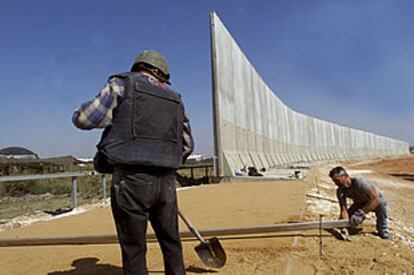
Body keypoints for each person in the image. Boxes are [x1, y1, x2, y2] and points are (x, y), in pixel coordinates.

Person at [72, 49, 194, 274]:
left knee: (134, 250)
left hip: (131, 182)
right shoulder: (176, 99)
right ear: (162, 75)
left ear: (139, 67)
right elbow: (187, 146)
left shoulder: (122, 85)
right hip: (167, 183)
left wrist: (77, 113)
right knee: (171, 243)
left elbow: (85, 119)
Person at [329, 166, 389, 239]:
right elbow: (343, 210)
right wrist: (344, 224)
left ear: (344, 176)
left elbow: (375, 199)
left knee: (381, 204)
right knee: (347, 219)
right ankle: (350, 228)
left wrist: (360, 214)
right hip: (359, 203)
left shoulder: (359, 182)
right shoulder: (340, 191)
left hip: (373, 202)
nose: (336, 183)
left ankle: (383, 230)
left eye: (337, 181)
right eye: (334, 181)